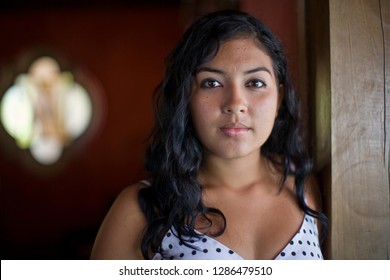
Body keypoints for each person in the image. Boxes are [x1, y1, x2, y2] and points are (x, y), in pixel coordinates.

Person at [90, 9, 328, 260]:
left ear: (279, 98)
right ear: (186, 98)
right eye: (212, 83)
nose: (236, 103)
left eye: (255, 83)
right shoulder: (139, 211)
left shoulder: (307, 190)